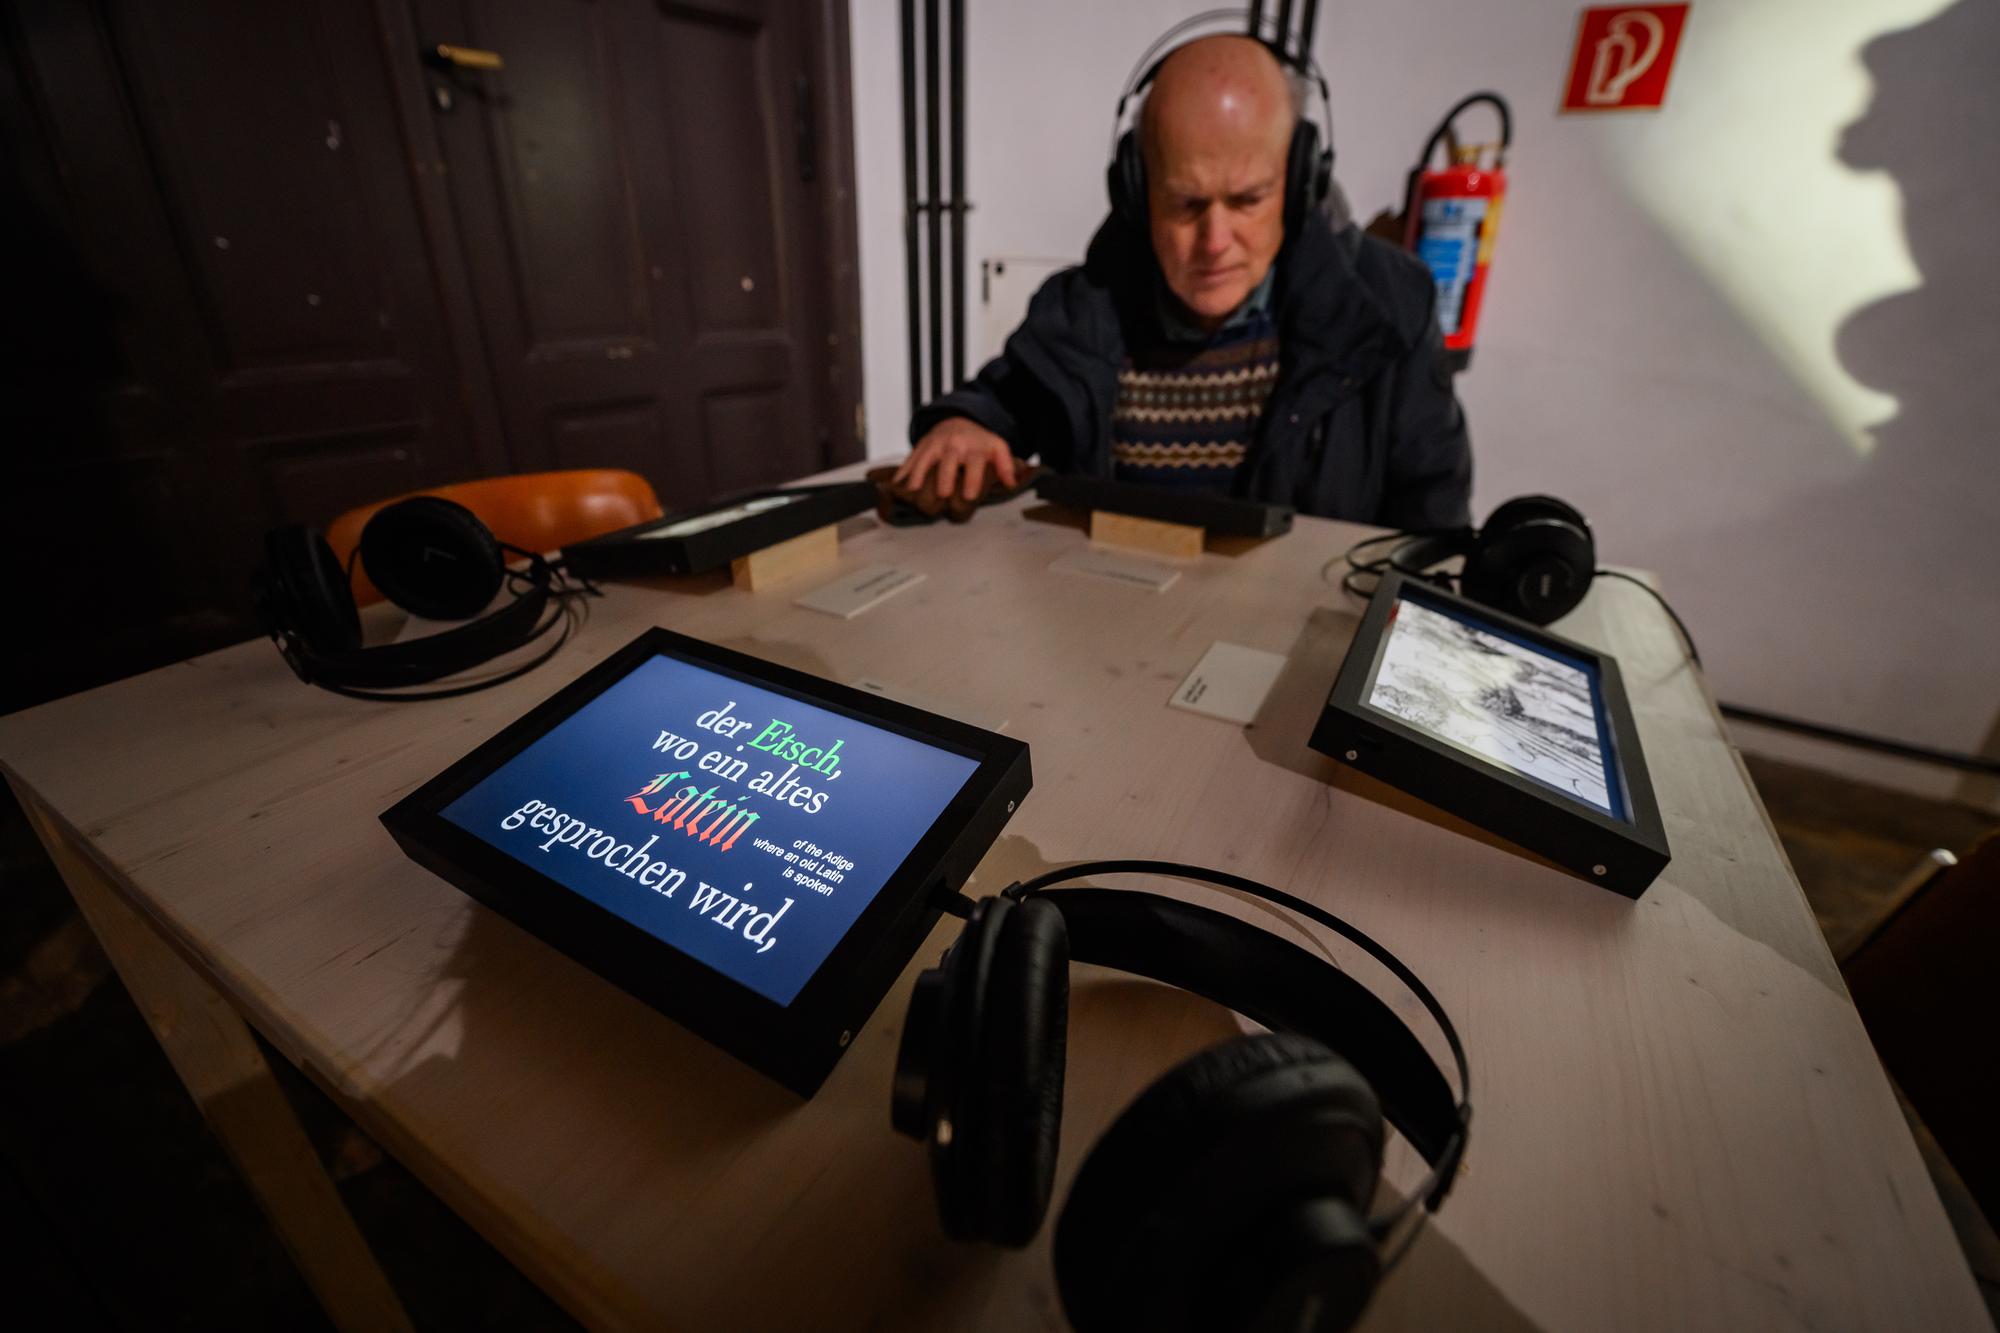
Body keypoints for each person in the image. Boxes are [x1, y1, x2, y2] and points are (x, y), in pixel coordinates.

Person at [894, 35, 1472, 530]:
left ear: (1300, 182)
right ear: (1136, 191)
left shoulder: (1392, 305)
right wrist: (963, 423)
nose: (1214, 241)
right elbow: (1005, 399)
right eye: (1185, 204)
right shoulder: (1079, 310)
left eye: (1247, 200)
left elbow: (1432, 522)